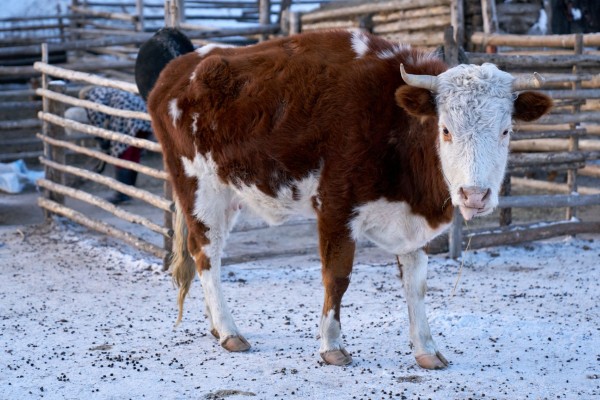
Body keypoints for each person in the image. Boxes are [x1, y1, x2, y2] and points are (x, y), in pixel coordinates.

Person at [67, 86, 152, 204]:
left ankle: (122, 194)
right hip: (142, 117)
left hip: (128, 120)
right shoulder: (106, 92)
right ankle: (129, 190)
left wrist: (101, 139)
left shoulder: (92, 97)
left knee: (122, 155)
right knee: (133, 154)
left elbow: (96, 117)